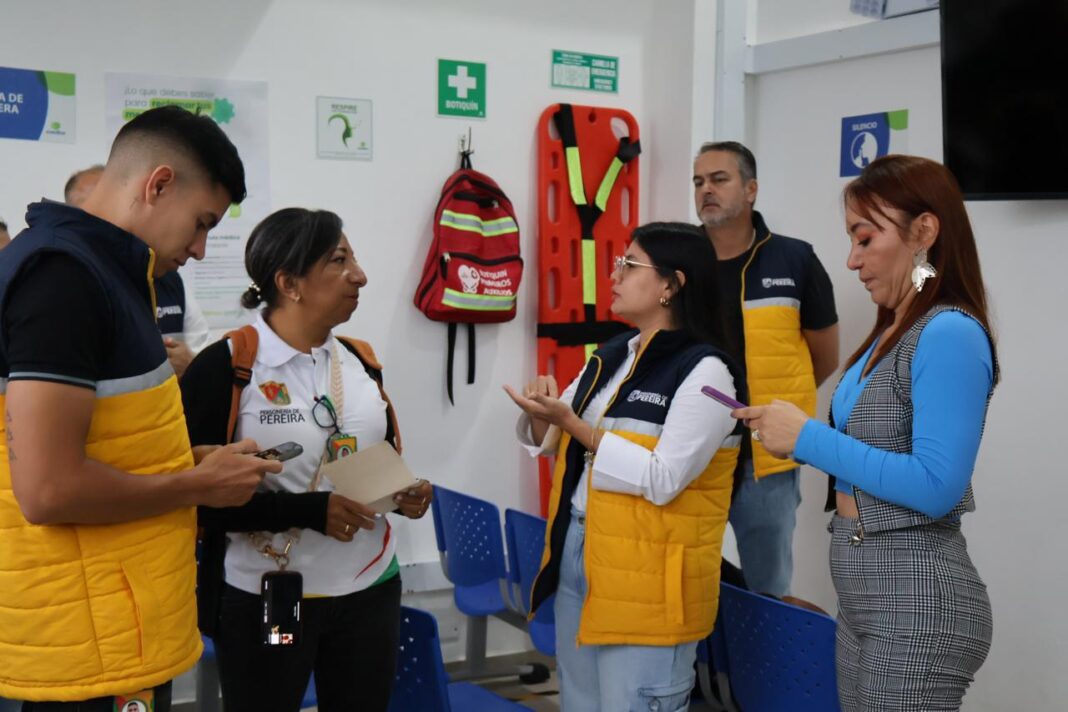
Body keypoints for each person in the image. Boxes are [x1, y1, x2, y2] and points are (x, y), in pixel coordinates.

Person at [0, 105, 281, 709]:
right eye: (202, 223)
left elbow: (111, 436)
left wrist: (189, 458)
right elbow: (48, 490)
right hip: (85, 637)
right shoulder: (63, 278)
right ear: (157, 185)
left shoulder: (112, 272)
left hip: (115, 621)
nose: (203, 250)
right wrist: (192, 484)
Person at [734, 155, 997, 711]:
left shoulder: (949, 332)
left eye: (865, 238)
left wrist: (806, 438)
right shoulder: (892, 330)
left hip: (917, 600)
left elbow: (936, 485)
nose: (852, 260)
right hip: (864, 594)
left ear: (924, 231)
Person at [179, 207, 433, 712]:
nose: (359, 275)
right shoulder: (226, 368)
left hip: (370, 588)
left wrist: (405, 495)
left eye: (353, 258)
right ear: (289, 283)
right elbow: (194, 502)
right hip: (270, 597)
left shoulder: (361, 361)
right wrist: (311, 512)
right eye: (340, 260)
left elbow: (381, 456)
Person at [506, 223, 743, 711]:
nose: (614, 275)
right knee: (580, 701)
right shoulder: (615, 353)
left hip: (651, 577)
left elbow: (664, 477)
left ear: (670, 285)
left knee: (632, 702)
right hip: (582, 550)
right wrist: (538, 415)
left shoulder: (708, 371)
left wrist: (575, 425)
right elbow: (553, 438)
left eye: (629, 265)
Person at [693, 140, 839, 596]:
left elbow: (825, 357)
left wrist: (776, 408)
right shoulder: (679, 263)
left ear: (751, 189)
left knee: (768, 589)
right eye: (698, 181)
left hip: (766, 461)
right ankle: (701, 670)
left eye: (719, 179)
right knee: (687, 583)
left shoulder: (795, 260)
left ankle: (759, 669)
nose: (706, 190)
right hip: (691, 453)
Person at [66, 164, 210, 376]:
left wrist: (191, 365)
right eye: (93, 209)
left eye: (112, 204)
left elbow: (202, 349)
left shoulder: (170, 278)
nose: (105, 219)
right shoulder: (64, 283)